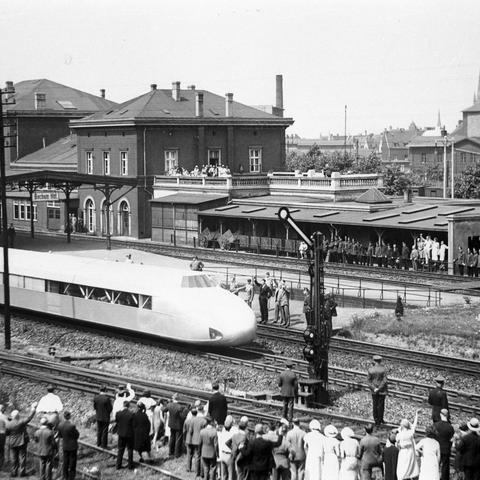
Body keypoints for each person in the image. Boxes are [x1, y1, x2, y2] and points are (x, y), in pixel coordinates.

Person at [6, 402, 37, 477]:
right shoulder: (21, 422)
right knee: (22, 458)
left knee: (13, 458)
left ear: (12, 416)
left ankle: (14, 472)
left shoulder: (9, 424)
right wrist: (33, 408)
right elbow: (29, 417)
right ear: (18, 416)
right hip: (22, 442)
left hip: (12, 442)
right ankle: (22, 472)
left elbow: (7, 433)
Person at [396, 410, 420, 480]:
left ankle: (403, 477)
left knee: (402, 466)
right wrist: (416, 415)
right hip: (410, 452)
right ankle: (410, 476)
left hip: (403, 452)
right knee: (410, 466)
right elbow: (414, 425)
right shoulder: (410, 433)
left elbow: (397, 443)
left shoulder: (399, 435)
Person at [57, 411, 80, 480]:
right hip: (72, 446)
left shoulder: (60, 425)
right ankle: (71, 477)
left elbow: (60, 435)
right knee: (72, 463)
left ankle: (65, 476)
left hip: (65, 445)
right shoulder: (72, 426)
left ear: (64, 416)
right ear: (69, 416)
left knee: (65, 461)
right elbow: (77, 435)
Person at [163, 393, 187, 458]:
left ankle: (170, 452)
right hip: (178, 425)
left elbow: (164, 410)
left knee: (172, 438)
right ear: (178, 399)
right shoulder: (180, 407)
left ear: (173, 398)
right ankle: (177, 454)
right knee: (178, 439)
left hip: (171, 424)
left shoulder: (169, 405)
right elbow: (183, 416)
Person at [367, 355, 388, 426]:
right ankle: (381, 419)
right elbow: (385, 380)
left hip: (374, 391)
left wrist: (374, 388)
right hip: (382, 391)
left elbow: (368, 381)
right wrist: (379, 388)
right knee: (381, 405)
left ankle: (376, 420)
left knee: (375, 405)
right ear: (380, 361)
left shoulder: (370, 369)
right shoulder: (383, 369)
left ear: (374, 361)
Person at [433, 409, 454, 480]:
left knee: (435, 464)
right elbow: (451, 439)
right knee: (445, 466)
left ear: (440, 414)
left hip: (436, 448)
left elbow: (433, 436)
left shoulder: (436, 425)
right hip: (446, 448)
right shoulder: (450, 427)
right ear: (447, 416)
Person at [228, 415, 249, 480]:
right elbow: (243, 447)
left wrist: (232, 448)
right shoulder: (244, 436)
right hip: (240, 457)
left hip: (233, 455)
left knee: (234, 473)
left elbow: (227, 443)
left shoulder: (235, 435)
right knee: (240, 474)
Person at [188, 407, 207, 476]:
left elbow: (190, 431)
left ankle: (197, 472)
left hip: (194, 440)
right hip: (201, 440)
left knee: (197, 456)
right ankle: (202, 473)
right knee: (201, 456)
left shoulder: (193, 420)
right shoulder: (204, 421)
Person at [115, 400, 134, 470]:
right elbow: (133, 424)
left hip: (121, 434)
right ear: (128, 406)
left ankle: (118, 465)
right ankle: (130, 466)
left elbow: (117, 422)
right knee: (130, 450)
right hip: (129, 434)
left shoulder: (118, 413)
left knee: (120, 449)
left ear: (123, 405)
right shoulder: (131, 414)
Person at [199, 416, 218, 480]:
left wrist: (200, 451)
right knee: (213, 468)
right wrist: (217, 453)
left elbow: (200, 443)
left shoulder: (202, 431)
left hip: (204, 452)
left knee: (206, 467)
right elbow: (215, 444)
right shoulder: (214, 432)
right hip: (212, 453)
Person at [218, 415, 237, 480]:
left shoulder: (223, 430)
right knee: (230, 475)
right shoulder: (234, 430)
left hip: (223, 454)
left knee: (224, 475)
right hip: (229, 455)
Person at [0, 404, 7, 470]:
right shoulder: (4, 417)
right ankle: (1, 465)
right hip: (2, 434)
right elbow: (7, 426)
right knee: (2, 450)